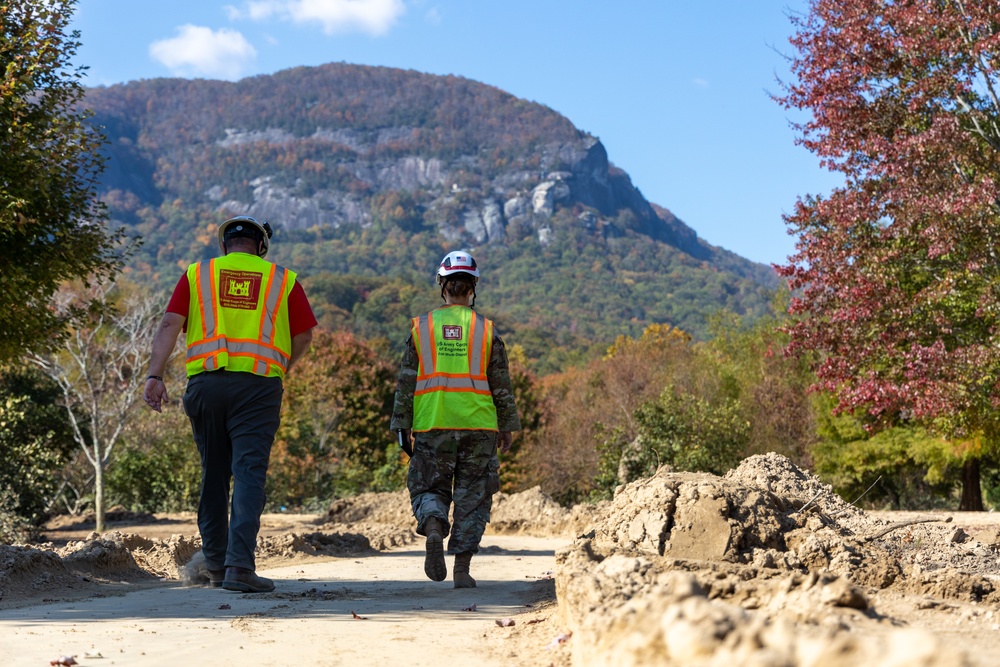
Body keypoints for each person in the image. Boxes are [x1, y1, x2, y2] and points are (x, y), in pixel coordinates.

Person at [143, 215, 316, 593]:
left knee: (214, 474)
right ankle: (240, 567)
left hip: (205, 385)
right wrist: (281, 366)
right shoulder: (282, 280)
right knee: (249, 473)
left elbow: (170, 323)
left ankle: (217, 564)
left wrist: (155, 376)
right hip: (258, 388)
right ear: (261, 246)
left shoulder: (197, 274)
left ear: (224, 246)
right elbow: (304, 335)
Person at [390, 251, 521, 588]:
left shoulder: (422, 328)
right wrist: (507, 426)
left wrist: (401, 425)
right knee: (473, 498)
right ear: (473, 287)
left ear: (442, 285)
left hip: (433, 423)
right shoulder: (487, 330)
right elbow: (501, 385)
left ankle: (434, 524)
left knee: (429, 486)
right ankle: (462, 571)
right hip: (479, 426)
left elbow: (406, 381)